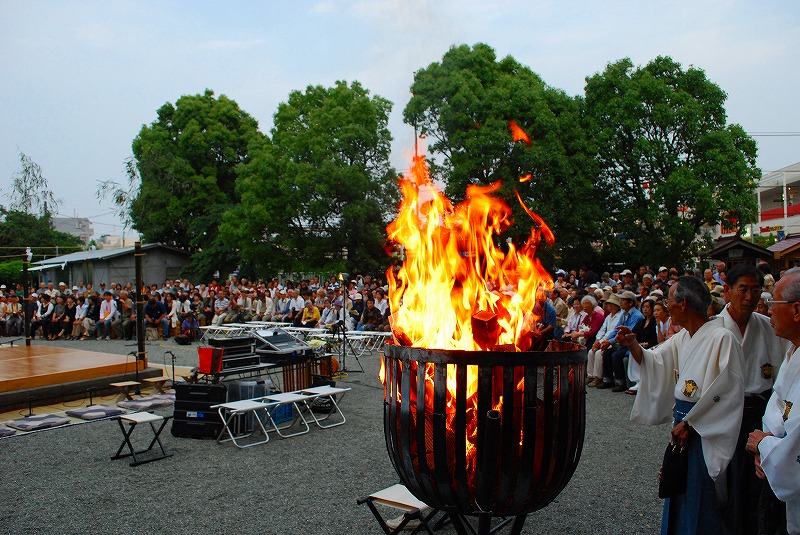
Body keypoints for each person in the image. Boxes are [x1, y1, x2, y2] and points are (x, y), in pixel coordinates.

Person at [616, 275, 744, 535]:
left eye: (668, 301)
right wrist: (632, 344)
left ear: (683, 303)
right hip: (683, 425)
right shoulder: (684, 337)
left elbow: (727, 392)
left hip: (703, 428)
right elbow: (655, 362)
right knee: (681, 492)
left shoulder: (723, 338)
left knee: (701, 495)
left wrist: (692, 424)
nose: (667, 306)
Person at [716, 263, 790, 534]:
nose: (750, 297)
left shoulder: (770, 326)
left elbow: (787, 371)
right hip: (722, 412)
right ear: (727, 291)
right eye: (743, 289)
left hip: (760, 410)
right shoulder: (712, 330)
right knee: (726, 479)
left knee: (757, 480)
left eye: (756, 290)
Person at [746, 268, 800, 535]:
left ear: (796, 310)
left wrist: (764, 445)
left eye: (773, 303)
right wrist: (766, 450)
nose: (768, 312)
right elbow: (778, 402)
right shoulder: (793, 350)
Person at [600, 290, 645, 392]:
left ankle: (621, 382)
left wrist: (611, 341)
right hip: (621, 342)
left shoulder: (637, 316)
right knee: (607, 353)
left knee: (616, 355)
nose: (620, 302)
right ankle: (608, 379)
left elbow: (629, 333)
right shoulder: (624, 314)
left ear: (630, 303)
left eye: (623, 300)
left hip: (631, 343)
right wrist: (607, 340)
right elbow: (616, 329)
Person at [586, 293, 621, 388]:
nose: (610, 307)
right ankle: (590, 375)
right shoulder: (609, 317)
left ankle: (598, 377)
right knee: (591, 352)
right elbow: (602, 329)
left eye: (612, 305)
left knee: (599, 353)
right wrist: (597, 340)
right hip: (603, 339)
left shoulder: (620, 316)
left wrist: (601, 342)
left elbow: (614, 332)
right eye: (609, 304)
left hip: (612, 341)